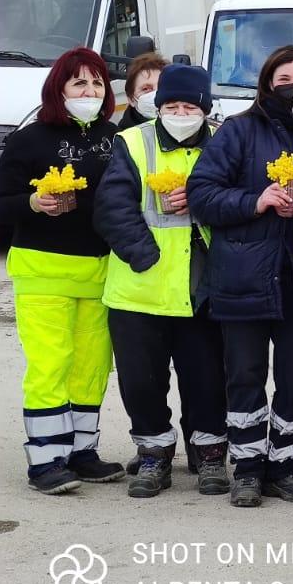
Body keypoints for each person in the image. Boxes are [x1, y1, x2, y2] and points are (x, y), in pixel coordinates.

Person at [188, 45, 293, 508]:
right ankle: (248, 469)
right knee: (245, 378)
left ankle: (284, 467)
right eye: (284, 77)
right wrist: (257, 200)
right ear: (268, 84)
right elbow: (201, 194)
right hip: (242, 278)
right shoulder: (238, 131)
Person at [95, 63, 230, 499]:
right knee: (141, 381)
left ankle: (209, 453)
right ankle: (153, 454)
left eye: (190, 105)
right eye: (171, 104)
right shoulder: (133, 142)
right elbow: (113, 207)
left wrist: (201, 203)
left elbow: (236, 202)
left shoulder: (224, 145)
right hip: (141, 289)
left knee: (207, 377)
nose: (180, 112)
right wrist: (143, 254)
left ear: (206, 109)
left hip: (203, 289)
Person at [0, 48, 122, 493]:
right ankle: (46, 460)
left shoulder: (116, 135)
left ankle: (81, 450)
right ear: (59, 89)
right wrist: (31, 203)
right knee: (52, 364)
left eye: (97, 84)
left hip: (101, 272)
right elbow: (1, 203)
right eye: (78, 84)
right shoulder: (29, 140)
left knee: (91, 366)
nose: (89, 92)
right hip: (44, 271)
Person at [119, 51, 167, 131]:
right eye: (146, 89)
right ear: (131, 99)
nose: (156, 94)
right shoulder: (121, 138)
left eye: (162, 86)